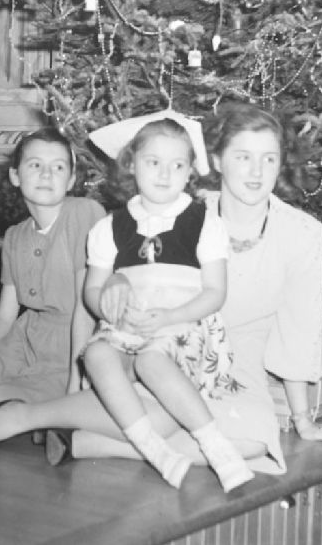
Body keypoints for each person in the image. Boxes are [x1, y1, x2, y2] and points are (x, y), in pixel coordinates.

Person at [0, 104, 322, 479]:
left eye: (269, 159)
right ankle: (41, 417)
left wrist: (303, 420)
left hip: (230, 364)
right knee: (165, 411)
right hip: (151, 344)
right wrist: (116, 280)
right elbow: (123, 254)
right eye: (243, 157)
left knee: (251, 442)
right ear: (217, 161)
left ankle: (87, 440)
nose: (256, 172)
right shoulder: (180, 205)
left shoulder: (302, 233)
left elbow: (297, 329)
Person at [78, 111, 251, 491]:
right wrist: (111, 310)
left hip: (183, 324)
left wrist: (172, 316)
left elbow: (215, 293)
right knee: (97, 354)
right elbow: (92, 289)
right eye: (153, 162)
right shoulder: (109, 227)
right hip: (129, 327)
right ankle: (153, 449)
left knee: (151, 359)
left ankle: (216, 446)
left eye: (177, 165)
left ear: (190, 172)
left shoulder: (203, 222)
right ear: (131, 164)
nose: (164, 174)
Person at [0, 127, 105, 414]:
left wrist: (76, 381)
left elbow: (85, 308)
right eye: (35, 165)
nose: (47, 174)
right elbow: (4, 317)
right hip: (24, 342)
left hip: (74, 346)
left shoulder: (84, 213)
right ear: (15, 175)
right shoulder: (15, 236)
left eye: (58, 167)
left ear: (71, 180)